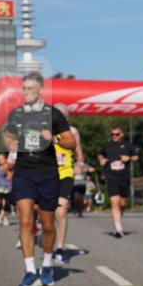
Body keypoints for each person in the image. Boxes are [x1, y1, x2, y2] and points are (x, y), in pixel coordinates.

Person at [2, 72, 75, 286]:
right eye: (23, 88)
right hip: (24, 171)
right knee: (25, 220)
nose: (26, 92)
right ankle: (30, 271)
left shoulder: (53, 114)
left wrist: (54, 138)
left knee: (48, 223)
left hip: (47, 172)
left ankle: (46, 265)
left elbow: (70, 141)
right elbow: (7, 135)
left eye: (30, 89)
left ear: (40, 90)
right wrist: (11, 143)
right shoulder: (16, 114)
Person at [52, 103, 84, 263]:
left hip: (65, 173)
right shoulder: (45, 131)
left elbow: (79, 154)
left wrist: (79, 165)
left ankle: (59, 249)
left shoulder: (72, 132)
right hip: (47, 174)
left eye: (63, 117)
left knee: (61, 210)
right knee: (44, 213)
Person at [99, 126, 138, 238]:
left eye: (117, 134)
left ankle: (119, 221)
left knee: (122, 203)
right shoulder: (107, 146)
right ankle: (118, 227)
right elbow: (100, 154)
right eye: (112, 135)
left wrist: (129, 158)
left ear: (122, 134)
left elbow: (136, 157)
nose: (114, 136)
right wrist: (101, 159)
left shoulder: (128, 145)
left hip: (124, 176)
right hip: (111, 175)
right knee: (114, 202)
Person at [0, 152, 14, 226]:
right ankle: (1, 214)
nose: (0, 160)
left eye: (2, 159)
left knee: (6, 203)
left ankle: (4, 218)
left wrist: (6, 170)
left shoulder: (8, 166)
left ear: (5, 159)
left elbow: (10, 177)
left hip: (7, 187)